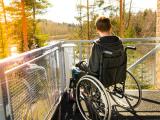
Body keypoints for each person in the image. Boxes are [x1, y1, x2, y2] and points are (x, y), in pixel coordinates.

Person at [88, 16, 125, 82]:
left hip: (102, 78)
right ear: (110, 28)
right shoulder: (119, 43)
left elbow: (94, 68)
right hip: (117, 75)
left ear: (97, 29)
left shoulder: (97, 45)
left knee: (81, 68)